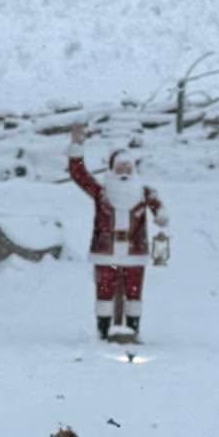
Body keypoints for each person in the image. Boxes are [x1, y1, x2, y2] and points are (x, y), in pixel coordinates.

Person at [67, 124, 168, 341]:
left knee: (134, 295)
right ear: (112, 170)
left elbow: (158, 206)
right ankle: (103, 332)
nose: (124, 173)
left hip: (134, 253)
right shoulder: (102, 193)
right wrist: (77, 146)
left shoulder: (144, 192)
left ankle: (133, 330)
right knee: (104, 294)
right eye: (120, 168)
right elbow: (79, 175)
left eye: (128, 168)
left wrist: (161, 215)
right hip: (106, 252)